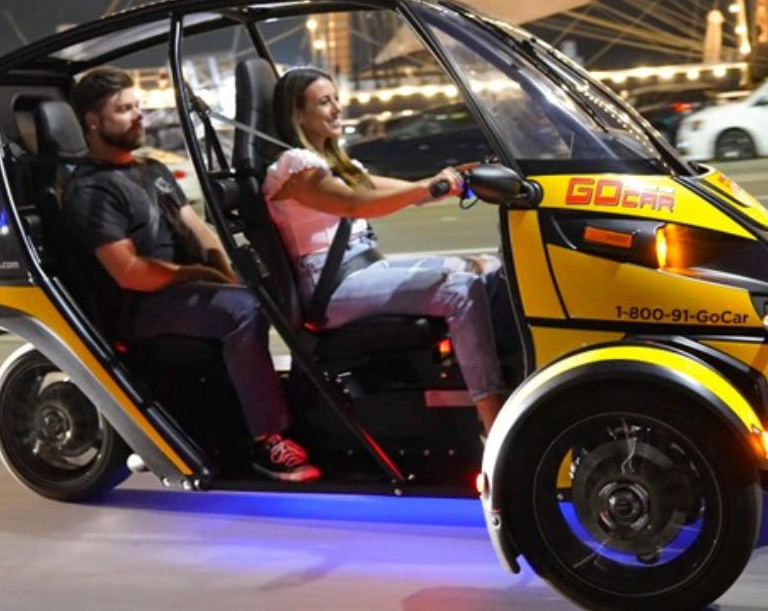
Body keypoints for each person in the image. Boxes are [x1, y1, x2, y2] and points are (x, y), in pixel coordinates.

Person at [61, 66, 320, 483]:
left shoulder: (151, 171)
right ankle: (267, 439)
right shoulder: (91, 190)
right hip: (141, 307)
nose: (138, 116)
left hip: (178, 293)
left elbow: (200, 231)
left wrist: (228, 272)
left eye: (138, 107)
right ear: (93, 121)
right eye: (124, 109)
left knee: (276, 295)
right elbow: (129, 272)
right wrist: (200, 274)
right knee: (242, 312)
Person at [264, 67, 508, 433]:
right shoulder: (295, 168)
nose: (336, 109)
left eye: (335, 99)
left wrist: (459, 181)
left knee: (485, 265)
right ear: (298, 115)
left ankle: (486, 375)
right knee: (459, 289)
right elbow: (357, 205)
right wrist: (430, 185)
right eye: (323, 102)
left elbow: (409, 193)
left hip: (365, 269)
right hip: (331, 288)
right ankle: (494, 419)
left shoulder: (338, 165)